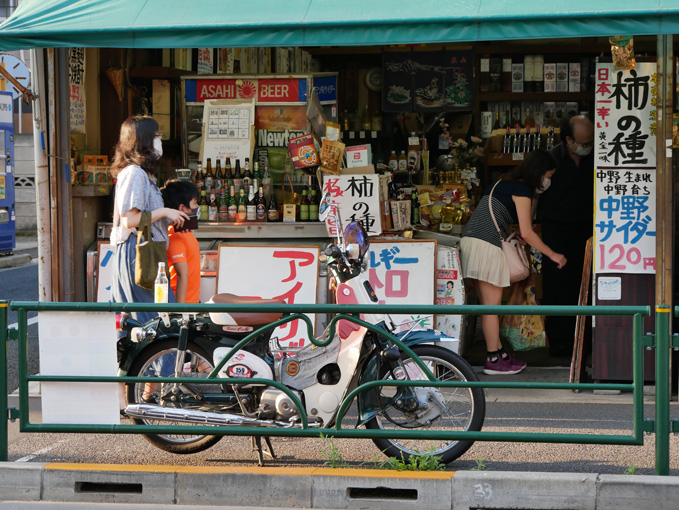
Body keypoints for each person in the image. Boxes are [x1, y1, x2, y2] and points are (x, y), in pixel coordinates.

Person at [460, 149, 567, 375]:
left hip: (471, 241)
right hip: (487, 244)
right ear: (539, 173)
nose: (549, 180)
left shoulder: (503, 183)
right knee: (491, 307)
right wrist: (553, 254)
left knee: (486, 305)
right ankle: (493, 360)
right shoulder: (522, 190)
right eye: (548, 175)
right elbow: (527, 232)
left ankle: (499, 353)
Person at [110, 116, 187, 323]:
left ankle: (156, 356)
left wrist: (169, 217)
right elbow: (130, 219)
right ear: (143, 140)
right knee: (156, 322)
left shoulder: (143, 174)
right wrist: (164, 213)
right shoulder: (135, 173)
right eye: (156, 135)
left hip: (144, 251)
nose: (160, 140)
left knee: (153, 320)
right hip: (139, 252)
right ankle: (159, 357)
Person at [538, 115, 595, 358]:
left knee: (587, 285)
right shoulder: (552, 158)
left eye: (591, 140)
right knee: (557, 287)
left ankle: (589, 340)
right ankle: (560, 343)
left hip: (588, 229)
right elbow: (536, 193)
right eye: (583, 141)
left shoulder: (597, 156)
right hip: (556, 231)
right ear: (569, 139)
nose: (588, 145)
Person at [161, 179, 201, 303]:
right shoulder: (174, 235)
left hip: (192, 303)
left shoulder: (185, 232)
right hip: (183, 304)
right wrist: (180, 310)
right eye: (195, 203)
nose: (197, 207)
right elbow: (182, 274)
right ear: (183, 208)